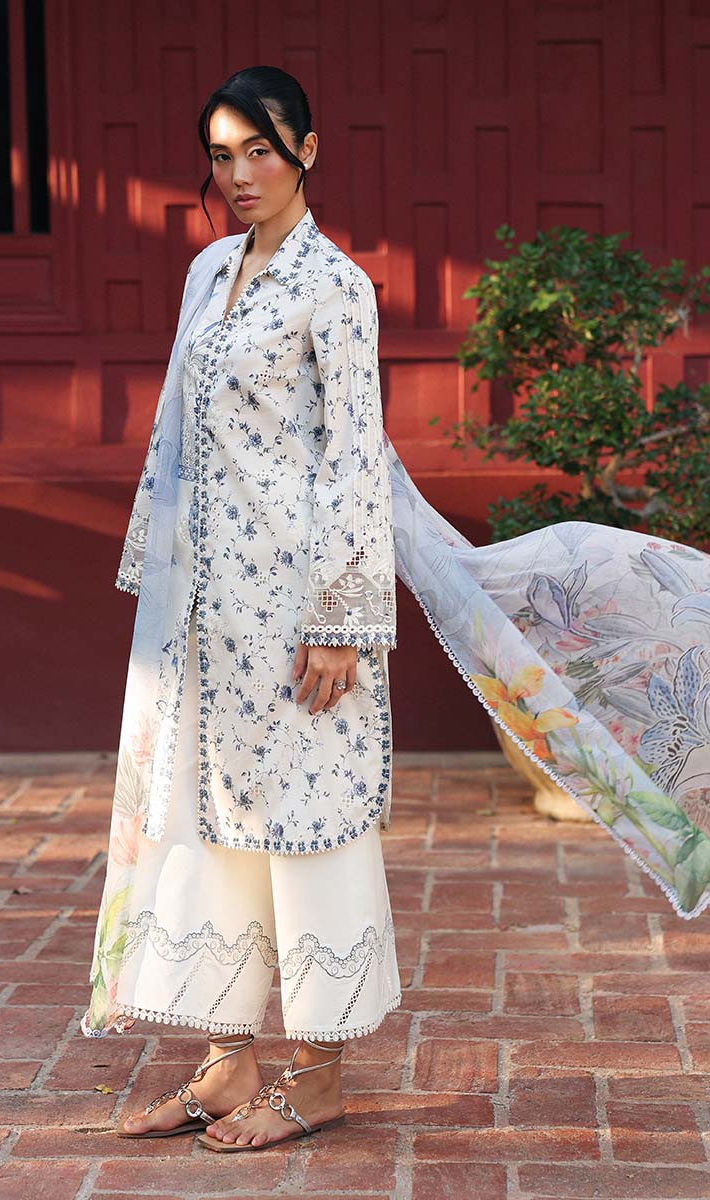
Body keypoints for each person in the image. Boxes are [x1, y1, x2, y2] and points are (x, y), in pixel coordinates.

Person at [82, 65, 710, 1150]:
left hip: (300, 612)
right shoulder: (206, 271)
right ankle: (227, 1064)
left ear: (307, 151)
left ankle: (318, 1075)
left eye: (260, 150)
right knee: (207, 820)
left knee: (307, 827)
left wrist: (341, 621)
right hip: (205, 615)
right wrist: (160, 574)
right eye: (222, 156)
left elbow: (348, 465)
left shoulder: (335, 286)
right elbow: (175, 435)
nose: (239, 175)